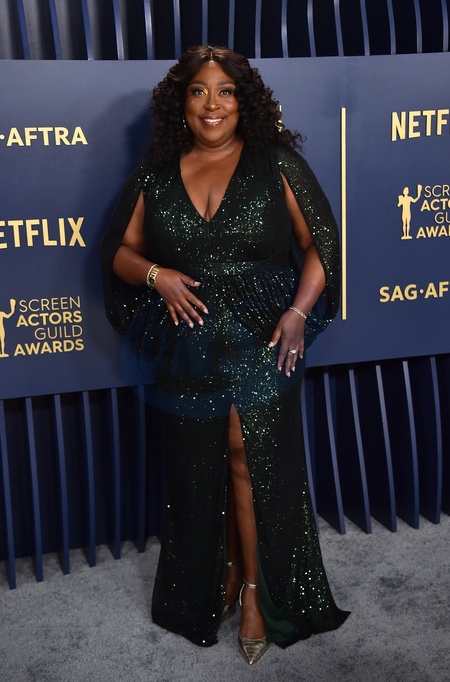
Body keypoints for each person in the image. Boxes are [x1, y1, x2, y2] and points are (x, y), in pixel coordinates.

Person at [101, 45, 349, 665]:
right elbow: (119, 253)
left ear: (245, 102)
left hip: (263, 334)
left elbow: (321, 244)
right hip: (188, 340)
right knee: (198, 464)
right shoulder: (156, 172)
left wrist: (298, 312)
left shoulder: (277, 164)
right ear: (180, 103)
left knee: (247, 454)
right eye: (199, 91)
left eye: (226, 92)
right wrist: (157, 275)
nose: (212, 104)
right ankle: (221, 577)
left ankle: (258, 596)